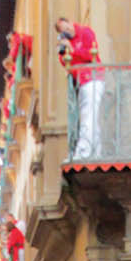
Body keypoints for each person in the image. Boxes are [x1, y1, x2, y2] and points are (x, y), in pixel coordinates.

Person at [56, 14, 104, 158]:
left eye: (67, 27)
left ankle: (84, 151)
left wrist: (73, 49)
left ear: (70, 22)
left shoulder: (86, 32)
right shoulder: (66, 44)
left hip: (94, 78)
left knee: (88, 115)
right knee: (91, 116)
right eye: (63, 31)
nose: (68, 30)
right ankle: (96, 151)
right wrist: (63, 51)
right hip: (82, 82)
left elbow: (91, 55)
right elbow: (67, 65)